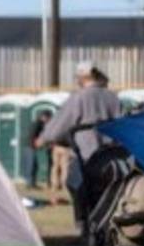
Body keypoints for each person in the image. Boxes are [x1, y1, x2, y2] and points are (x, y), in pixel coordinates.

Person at [37, 62, 123, 225]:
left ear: (83, 78)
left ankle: (83, 220)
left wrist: (44, 138)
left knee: (74, 181)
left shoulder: (79, 97)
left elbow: (61, 123)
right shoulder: (112, 97)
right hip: (111, 156)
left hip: (87, 155)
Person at [26, 111, 51, 190]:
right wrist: (35, 144)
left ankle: (32, 183)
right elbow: (32, 135)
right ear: (44, 117)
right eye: (48, 118)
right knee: (31, 165)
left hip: (31, 146)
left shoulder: (39, 124)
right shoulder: (38, 124)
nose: (48, 120)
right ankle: (30, 184)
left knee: (34, 165)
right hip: (30, 147)